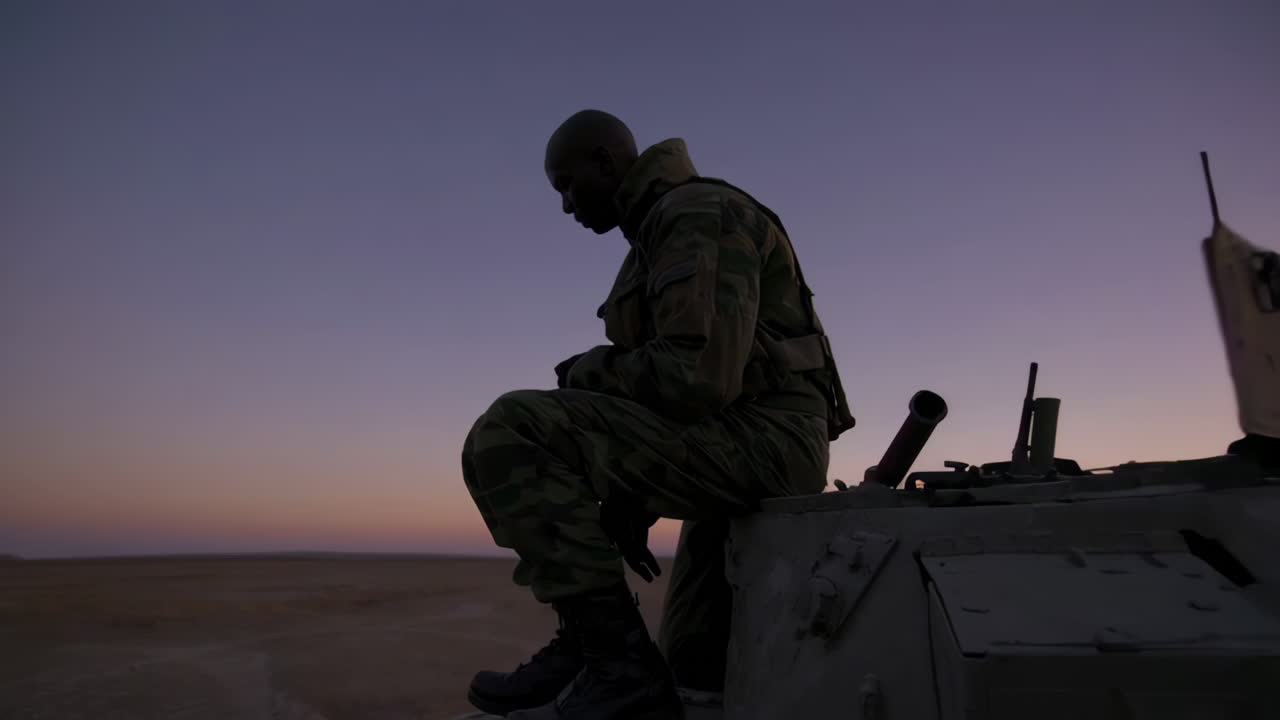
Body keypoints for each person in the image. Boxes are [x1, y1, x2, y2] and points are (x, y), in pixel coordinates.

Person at [461, 109, 855, 719]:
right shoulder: (658, 232)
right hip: (742, 437)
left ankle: (614, 663)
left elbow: (694, 378)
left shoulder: (695, 213)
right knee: (695, 662)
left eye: (567, 185)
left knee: (511, 430)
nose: (566, 206)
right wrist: (630, 490)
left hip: (769, 440)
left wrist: (588, 370)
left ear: (604, 161)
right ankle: (595, 651)